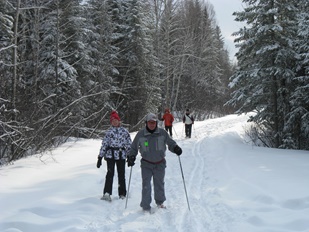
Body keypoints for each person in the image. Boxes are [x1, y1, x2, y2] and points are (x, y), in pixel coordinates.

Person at [126, 113, 182, 211]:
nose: (152, 124)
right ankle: (145, 206)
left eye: (154, 122)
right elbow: (133, 147)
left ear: (156, 123)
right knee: (146, 184)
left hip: (160, 163)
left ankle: (160, 202)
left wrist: (175, 148)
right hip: (146, 163)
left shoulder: (162, 133)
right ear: (146, 123)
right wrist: (131, 157)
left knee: (159, 183)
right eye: (150, 122)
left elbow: (170, 143)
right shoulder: (141, 134)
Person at [96, 110, 132, 201]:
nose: (115, 122)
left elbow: (128, 144)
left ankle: (122, 193)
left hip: (121, 155)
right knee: (110, 173)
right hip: (110, 155)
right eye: (113, 121)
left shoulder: (124, 131)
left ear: (119, 120)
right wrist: (100, 157)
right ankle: (107, 193)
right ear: (111, 122)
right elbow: (104, 144)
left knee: (121, 174)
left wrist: (130, 156)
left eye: (116, 120)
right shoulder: (109, 132)